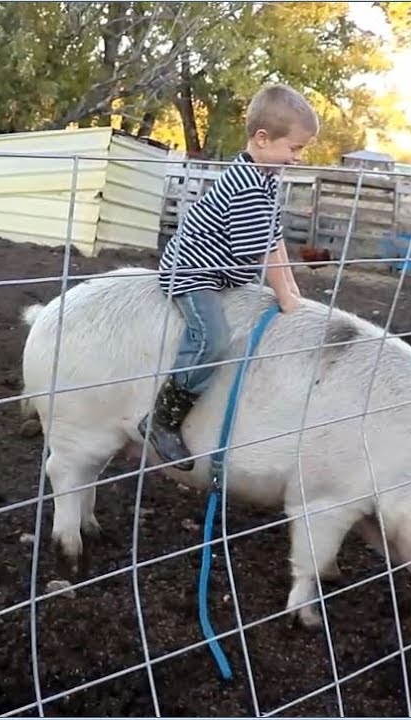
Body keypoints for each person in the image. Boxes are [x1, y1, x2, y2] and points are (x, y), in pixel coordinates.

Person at [142, 83, 319, 471]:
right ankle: (162, 418)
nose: (298, 158)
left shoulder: (265, 178)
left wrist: (292, 291)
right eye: (295, 148)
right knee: (212, 338)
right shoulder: (245, 187)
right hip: (192, 271)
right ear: (262, 138)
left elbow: (273, 237)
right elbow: (260, 250)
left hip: (218, 271)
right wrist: (285, 299)